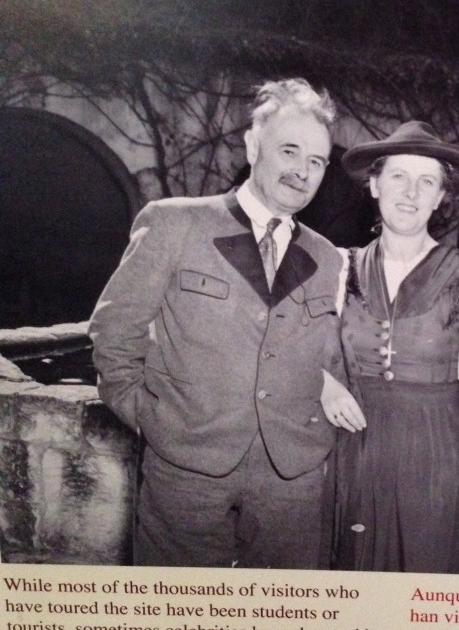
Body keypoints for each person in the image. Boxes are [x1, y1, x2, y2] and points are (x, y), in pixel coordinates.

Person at [89, 78, 346, 569]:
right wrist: (150, 418)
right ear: (253, 146)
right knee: (177, 610)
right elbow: (114, 332)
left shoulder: (326, 258)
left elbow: (326, 355)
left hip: (292, 481)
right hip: (186, 471)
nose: (302, 171)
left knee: (285, 612)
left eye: (316, 161)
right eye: (289, 151)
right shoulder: (175, 224)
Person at [320, 121, 459, 574]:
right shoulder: (340, 269)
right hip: (353, 457)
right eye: (398, 176)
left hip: (437, 463)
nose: (410, 192)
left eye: (427, 181)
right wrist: (325, 385)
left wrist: (443, 449)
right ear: (375, 185)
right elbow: (294, 347)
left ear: (439, 198)